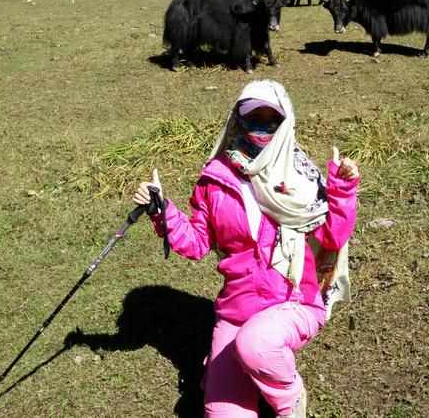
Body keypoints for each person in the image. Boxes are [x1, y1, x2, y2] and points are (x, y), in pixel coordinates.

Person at [133, 79, 360, 418]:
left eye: (271, 120)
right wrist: (161, 210)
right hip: (237, 310)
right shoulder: (216, 179)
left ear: (285, 124)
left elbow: (332, 238)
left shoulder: (302, 178)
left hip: (293, 302)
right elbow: (197, 243)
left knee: (258, 343)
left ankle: (290, 401)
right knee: (221, 412)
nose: (261, 129)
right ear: (238, 119)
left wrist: (341, 190)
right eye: (254, 118)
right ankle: (242, 369)